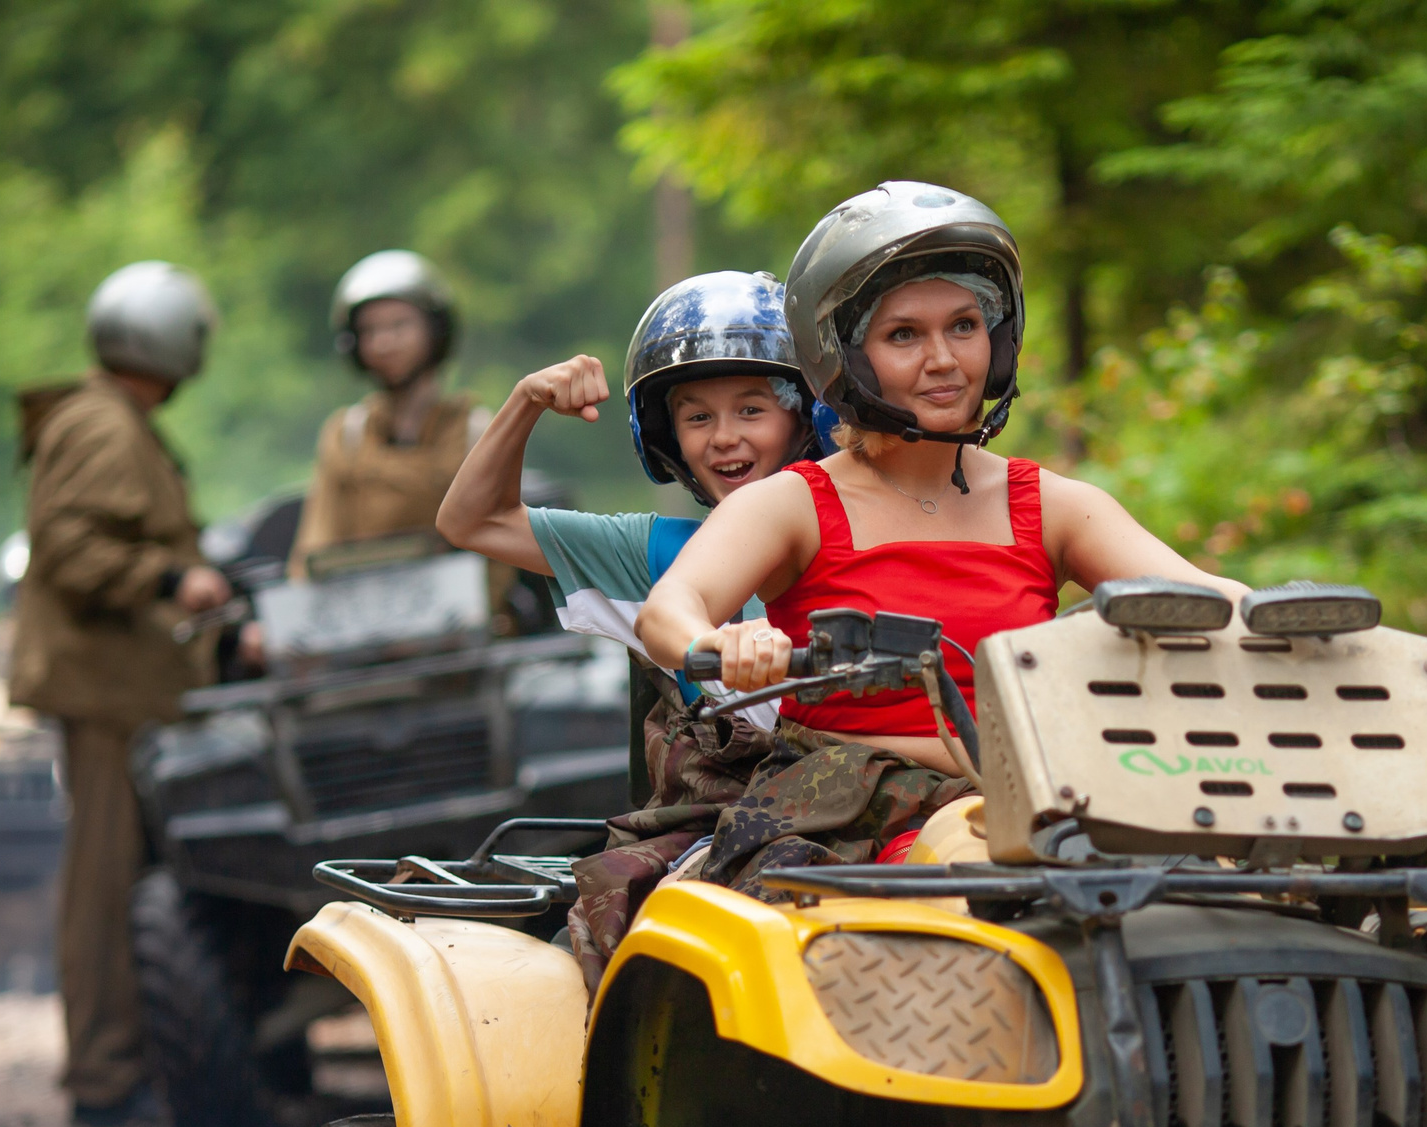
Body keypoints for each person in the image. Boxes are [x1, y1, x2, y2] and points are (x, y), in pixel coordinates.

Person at [634, 181, 1245, 890]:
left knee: (1243, 885)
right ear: (845, 357)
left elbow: (1206, 599)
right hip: (853, 819)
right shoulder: (792, 503)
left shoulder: (1050, 504)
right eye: (904, 335)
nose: (945, 359)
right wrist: (724, 643)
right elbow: (667, 611)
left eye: (963, 325)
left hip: (1052, 802)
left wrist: (1294, 618)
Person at [436, 270, 827, 982]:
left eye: (752, 409)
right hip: (716, 845)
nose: (725, 439)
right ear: (667, 435)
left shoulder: (870, 529)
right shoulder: (652, 554)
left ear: (807, 416)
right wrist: (525, 402)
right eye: (698, 416)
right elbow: (470, 520)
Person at [11, 261, 228, 1127]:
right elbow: (66, 548)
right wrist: (173, 575)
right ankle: (101, 1077)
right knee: (103, 885)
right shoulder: (101, 424)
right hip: (106, 693)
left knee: (125, 878)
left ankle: (124, 1059)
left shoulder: (108, 418)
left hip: (125, 690)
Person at [289, 251, 492, 580]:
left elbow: (498, 544)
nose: (384, 342)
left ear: (435, 331)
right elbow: (317, 544)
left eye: (400, 325)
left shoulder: (475, 431)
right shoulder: (347, 435)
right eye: (370, 330)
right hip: (364, 609)